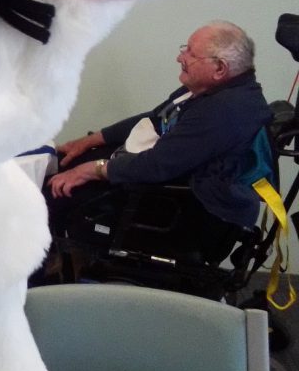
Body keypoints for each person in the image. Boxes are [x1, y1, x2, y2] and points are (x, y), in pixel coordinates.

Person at [43, 20, 272, 266]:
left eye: (190, 53)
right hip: (167, 181)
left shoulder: (224, 111)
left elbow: (157, 165)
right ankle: (55, 261)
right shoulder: (207, 90)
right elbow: (154, 120)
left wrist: (91, 169)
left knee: (55, 190)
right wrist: (89, 141)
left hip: (187, 211)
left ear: (219, 68)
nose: (180, 57)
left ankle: (43, 272)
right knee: (65, 163)